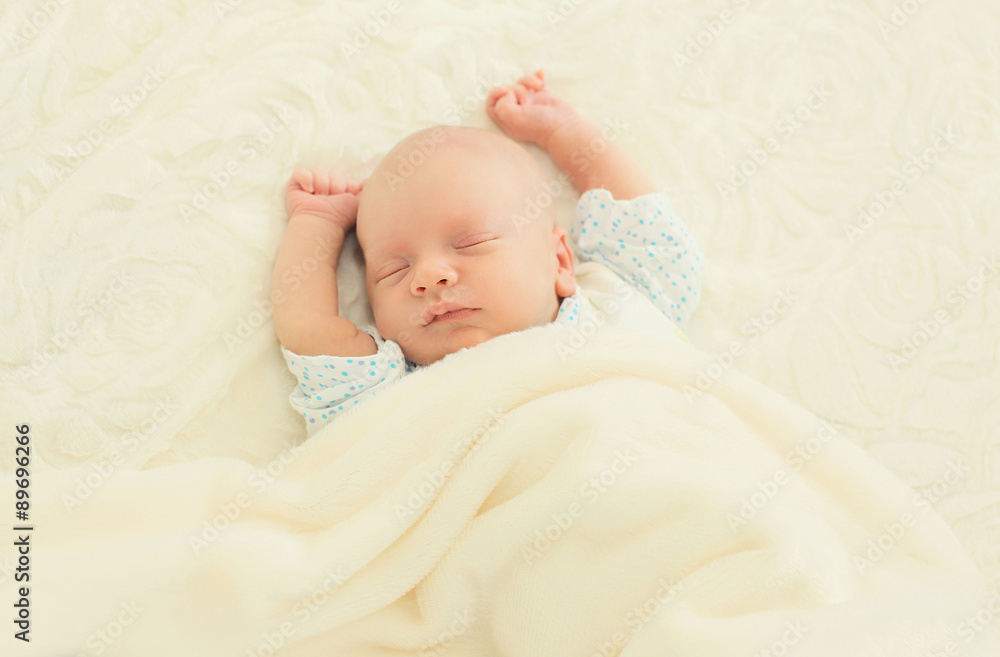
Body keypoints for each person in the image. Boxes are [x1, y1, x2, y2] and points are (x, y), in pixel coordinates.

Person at [271, 69, 704, 434]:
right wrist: (318, 226)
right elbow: (311, 335)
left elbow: (644, 226)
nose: (428, 276)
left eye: (471, 243)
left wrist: (565, 132)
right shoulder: (396, 398)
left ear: (560, 262)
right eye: (393, 272)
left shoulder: (617, 303)